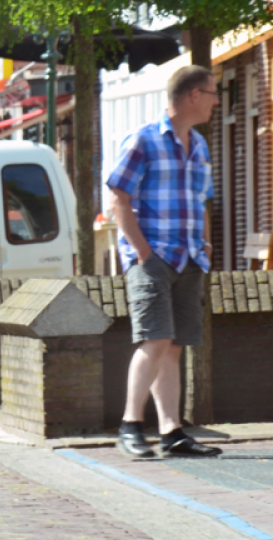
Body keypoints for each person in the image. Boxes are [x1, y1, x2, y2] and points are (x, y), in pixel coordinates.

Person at [107, 65, 222, 459]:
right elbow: (118, 199)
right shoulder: (144, 140)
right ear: (193, 95)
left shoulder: (200, 146)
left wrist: (204, 244)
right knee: (154, 340)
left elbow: (201, 200)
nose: (217, 100)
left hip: (188, 256)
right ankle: (130, 424)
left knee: (172, 346)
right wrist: (143, 254)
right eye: (212, 93)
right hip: (153, 257)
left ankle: (171, 430)